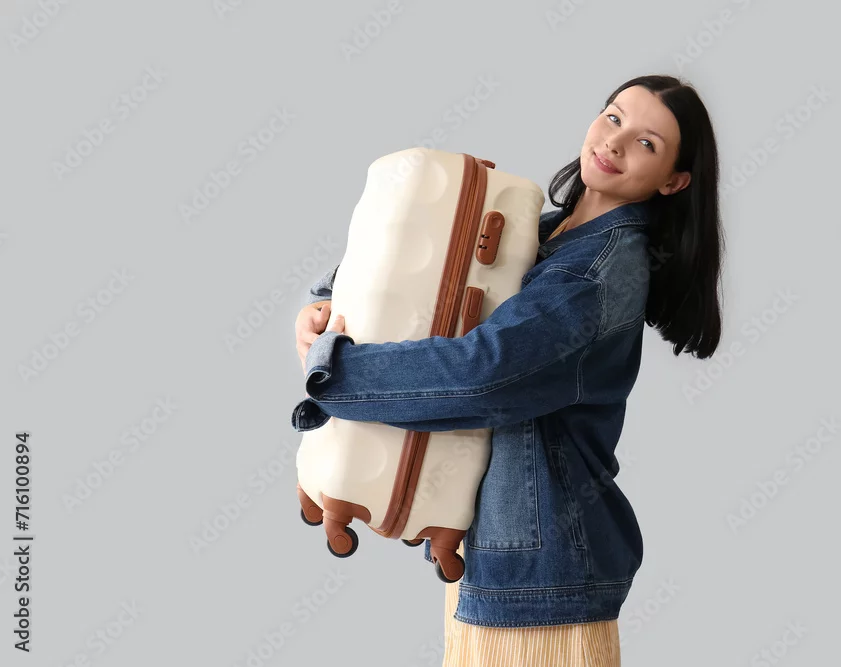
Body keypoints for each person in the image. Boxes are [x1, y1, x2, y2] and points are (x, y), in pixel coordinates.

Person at [292, 73, 723, 666]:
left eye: (647, 143)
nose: (615, 142)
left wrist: (334, 371)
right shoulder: (544, 232)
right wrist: (323, 309)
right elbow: (419, 282)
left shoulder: (597, 272)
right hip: (500, 563)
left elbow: (483, 375)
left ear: (674, 181)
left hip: (544, 579)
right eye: (614, 117)